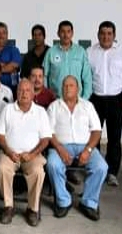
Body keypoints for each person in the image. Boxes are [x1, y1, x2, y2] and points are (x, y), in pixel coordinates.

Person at [46, 75, 108, 221]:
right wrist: (60, 149)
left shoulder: (88, 106)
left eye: (71, 85)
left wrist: (88, 150)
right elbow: (49, 133)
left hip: (85, 146)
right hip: (60, 146)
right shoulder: (54, 106)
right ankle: (63, 201)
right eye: (65, 86)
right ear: (61, 88)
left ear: (78, 89)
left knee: (102, 167)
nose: (67, 88)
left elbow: (97, 131)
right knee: (52, 164)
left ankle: (89, 203)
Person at [87, 21, 122, 187]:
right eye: (103, 33)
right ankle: (94, 168)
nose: (106, 36)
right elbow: (85, 76)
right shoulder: (90, 52)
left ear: (114, 36)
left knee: (114, 138)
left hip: (116, 99)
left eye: (109, 33)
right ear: (98, 34)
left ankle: (111, 173)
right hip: (95, 99)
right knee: (92, 137)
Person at [0, 79, 51, 227]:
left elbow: (46, 139)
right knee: (2, 169)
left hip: (32, 155)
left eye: (27, 90)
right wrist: (9, 151)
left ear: (33, 94)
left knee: (38, 172)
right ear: (16, 92)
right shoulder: (8, 109)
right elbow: (0, 135)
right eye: (20, 90)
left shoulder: (40, 112)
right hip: (10, 153)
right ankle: (8, 207)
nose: (24, 93)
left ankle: (32, 209)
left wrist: (32, 154)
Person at [43, 20, 92, 99]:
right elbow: (44, 76)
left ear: (72, 33)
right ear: (58, 33)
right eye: (62, 32)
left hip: (77, 101)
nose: (66, 35)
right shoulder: (51, 52)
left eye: (68, 32)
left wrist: (85, 99)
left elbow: (87, 78)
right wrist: (48, 97)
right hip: (56, 100)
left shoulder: (80, 51)